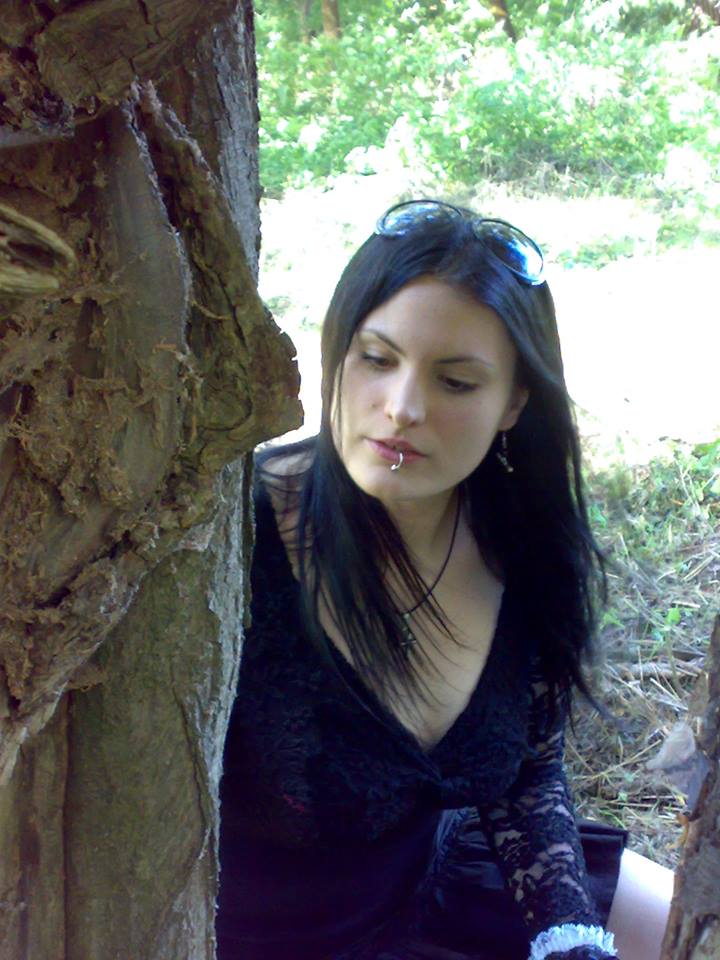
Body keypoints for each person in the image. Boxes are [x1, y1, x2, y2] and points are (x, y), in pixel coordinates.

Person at [217, 200, 673, 960]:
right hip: (254, 941)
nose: (402, 409)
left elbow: (525, 772)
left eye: (456, 382)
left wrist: (567, 938)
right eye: (376, 358)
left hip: (431, 890)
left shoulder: (521, 543)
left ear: (513, 403)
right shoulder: (236, 536)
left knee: (687, 927)